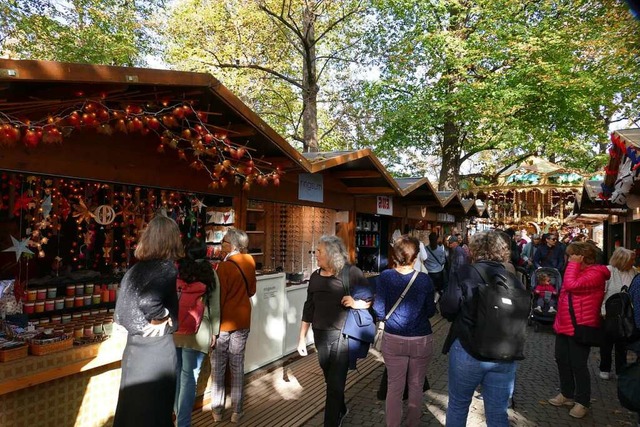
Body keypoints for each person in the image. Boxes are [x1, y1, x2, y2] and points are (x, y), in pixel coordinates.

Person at [440, 230, 525, 427]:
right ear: (503, 251)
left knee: (458, 405)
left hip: (467, 348)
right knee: (497, 412)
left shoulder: (465, 273)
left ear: (474, 249)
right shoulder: (512, 279)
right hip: (503, 352)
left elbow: (449, 308)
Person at [113, 214, 184, 427]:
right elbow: (148, 301)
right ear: (171, 239)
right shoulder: (167, 268)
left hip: (134, 349)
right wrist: (162, 317)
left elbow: (121, 312)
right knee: (155, 412)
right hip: (156, 351)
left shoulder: (134, 270)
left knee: (131, 412)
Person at [297, 235, 372, 427]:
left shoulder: (351, 272)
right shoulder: (315, 276)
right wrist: (301, 338)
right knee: (330, 380)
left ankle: (331, 422)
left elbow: (370, 300)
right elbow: (308, 308)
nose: (316, 255)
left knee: (335, 384)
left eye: (319, 251)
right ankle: (341, 408)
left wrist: (355, 303)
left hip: (343, 336)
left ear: (331, 254)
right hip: (320, 335)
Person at [373, 235, 436, 427]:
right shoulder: (425, 280)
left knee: (394, 387)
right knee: (416, 386)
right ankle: (412, 423)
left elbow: (378, 309)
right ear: (415, 257)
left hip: (393, 338)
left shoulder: (385, 277)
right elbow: (431, 311)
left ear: (395, 255)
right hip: (420, 338)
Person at [548, 241, 610, 419]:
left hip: (581, 325)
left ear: (581, 256)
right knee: (562, 359)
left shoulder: (596, 273)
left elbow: (571, 285)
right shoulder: (577, 270)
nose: (567, 259)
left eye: (570, 255)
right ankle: (567, 394)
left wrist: (573, 265)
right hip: (565, 324)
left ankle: (583, 401)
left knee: (578, 364)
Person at [210, 228, 257, 423]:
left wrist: (213, 327)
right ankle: (237, 412)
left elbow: (218, 299)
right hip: (243, 320)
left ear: (233, 245)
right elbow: (252, 291)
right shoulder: (250, 262)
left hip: (224, 323)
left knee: (218, 366)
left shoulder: (224, 267)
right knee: (237, 365)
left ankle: (217, 410)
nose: (221, 247)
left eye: (224, 243)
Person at [173, 238, 220, 427]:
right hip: (199, 331)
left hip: (176, 330)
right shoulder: (210, 273)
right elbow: (215, 306)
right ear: (205, 253)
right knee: (189, 377)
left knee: (177, 374)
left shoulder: (179, 271)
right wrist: (215, 332)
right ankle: (183, 423)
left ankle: (176, 417)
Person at [599, 247, 636, 380]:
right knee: (607, 341)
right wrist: (602, 310)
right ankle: (605, 368)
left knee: (622, 341)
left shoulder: (633, 272)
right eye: (631, 260)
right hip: (610, 311)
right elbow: (602, 292)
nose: (633, 262)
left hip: (626, 312)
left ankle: (621, 369)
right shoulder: (609, 271)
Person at [425, 232, 447, 296]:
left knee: (430, 288)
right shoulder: (440, 249)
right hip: (438, 271)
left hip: (429, 271)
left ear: (429, 239)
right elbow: (443, 261)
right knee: (439, 288)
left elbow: (424, 259)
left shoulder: (425, 249)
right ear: (436, 239)